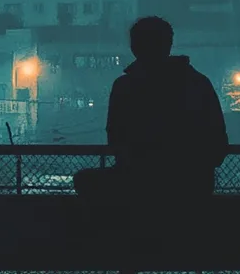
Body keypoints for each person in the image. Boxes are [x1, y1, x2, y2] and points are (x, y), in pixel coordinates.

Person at [73, 15, 229, 201]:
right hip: (194, 184)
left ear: (134, 47)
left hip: (137, 182)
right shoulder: (198, 83)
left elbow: (116, 139)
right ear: (168, 44)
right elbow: (218, 143)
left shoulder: (126, 86)